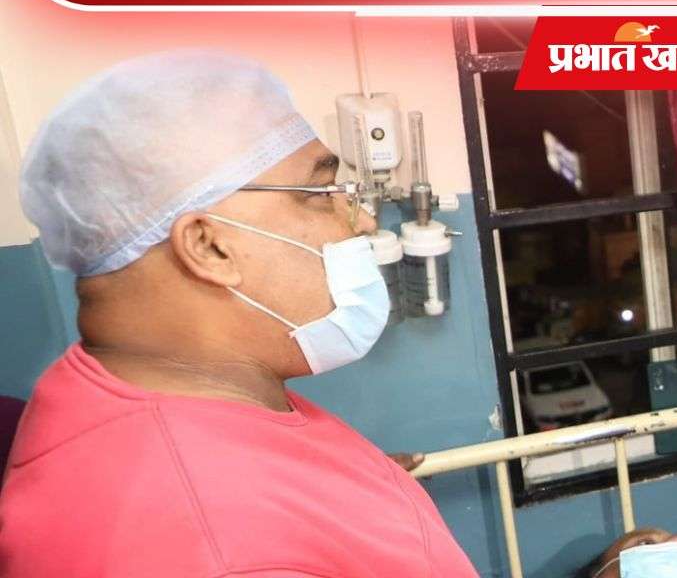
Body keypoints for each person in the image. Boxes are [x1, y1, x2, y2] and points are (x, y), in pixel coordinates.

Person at [0, 52, 478, 577]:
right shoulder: (214, 548)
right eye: (321, 193)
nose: (362, 220)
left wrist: (362, 499)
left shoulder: (155, 399)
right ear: (208, 246)